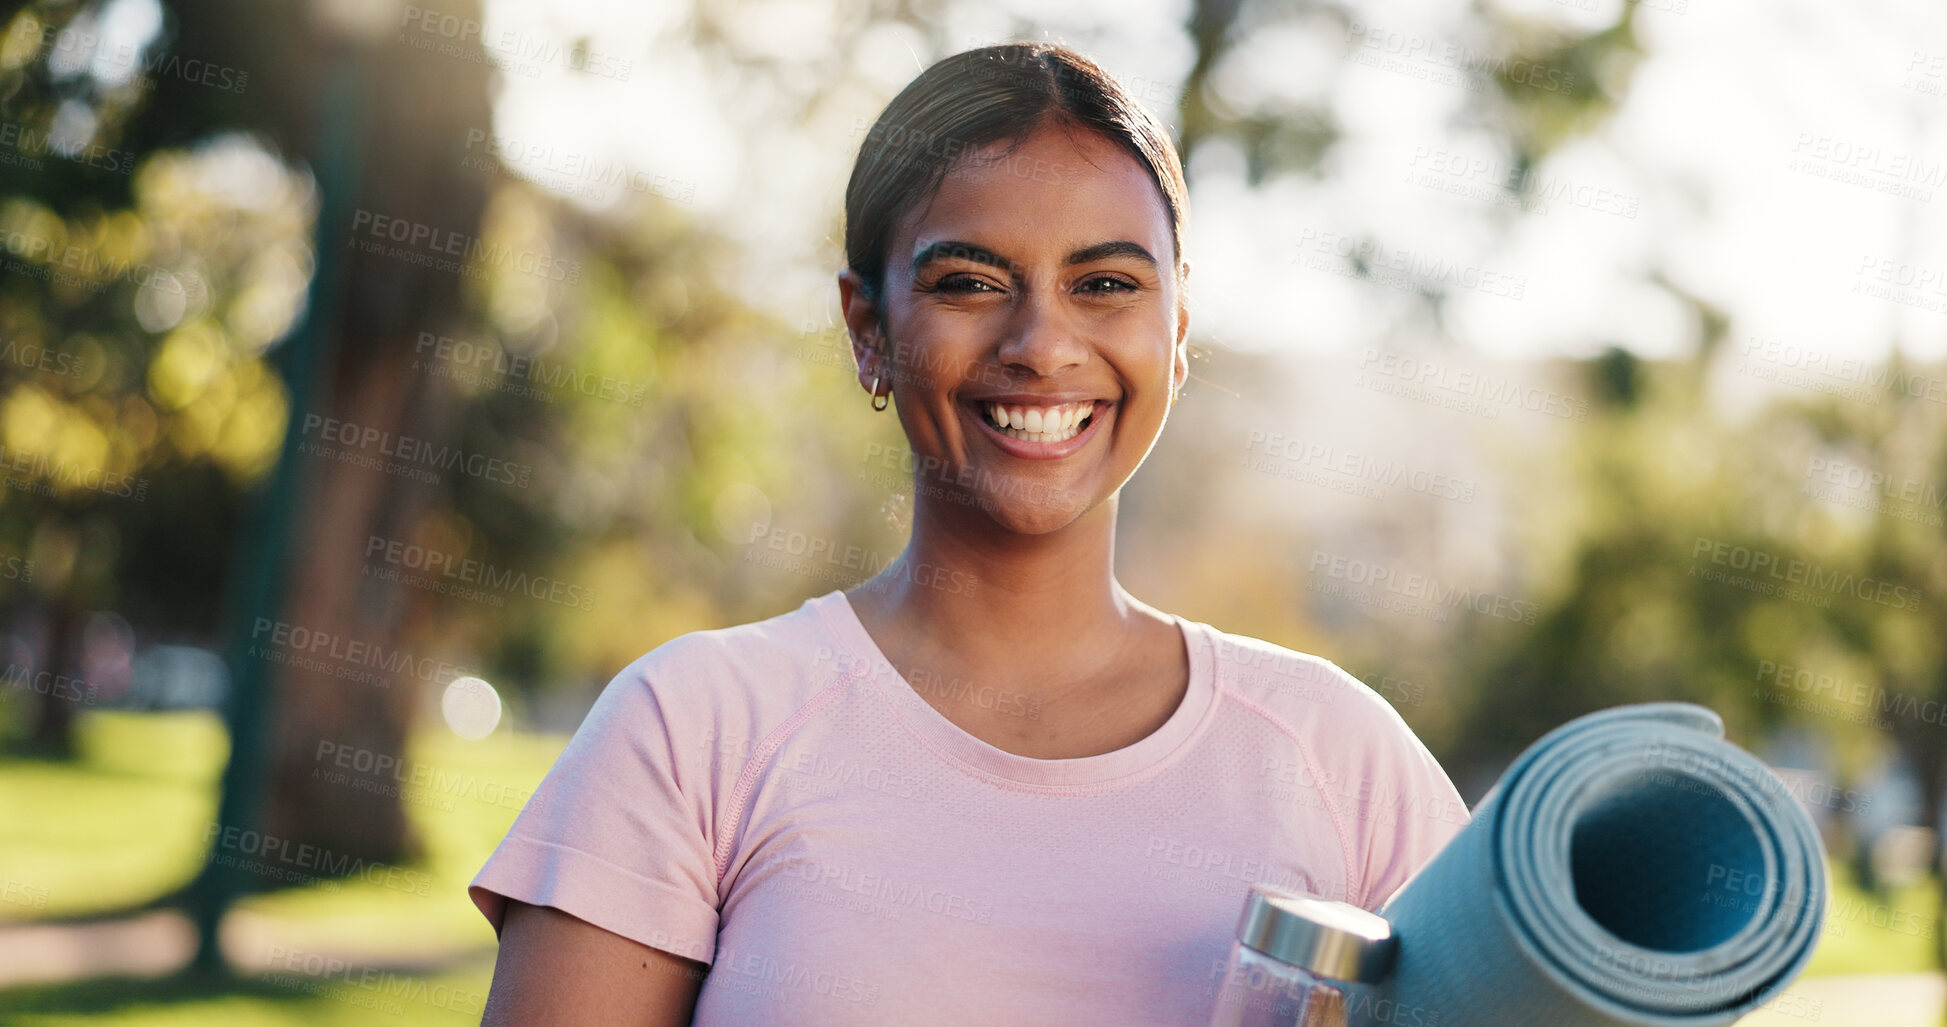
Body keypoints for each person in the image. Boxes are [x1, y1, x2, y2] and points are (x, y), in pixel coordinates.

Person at [472, 41, 1469, 1026]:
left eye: (1108, 284)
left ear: (1177, 328)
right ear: (869, 331)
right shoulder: (693, 729)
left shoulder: (1343, 762)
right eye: (969, 282)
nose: (1041, 345)